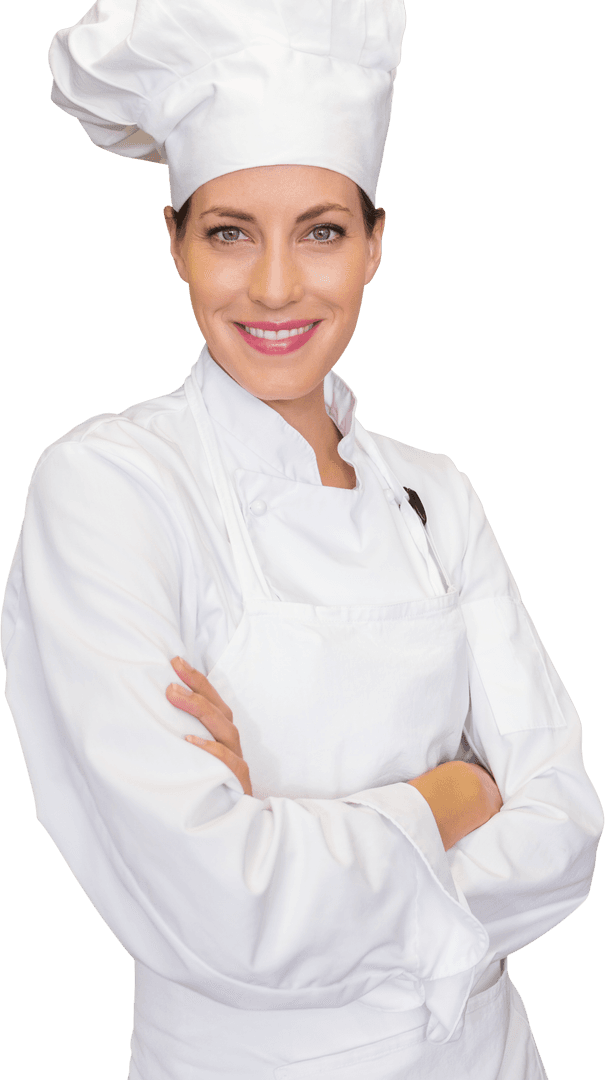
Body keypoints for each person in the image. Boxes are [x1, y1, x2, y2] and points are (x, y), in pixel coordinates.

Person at [1, 2, 602, 1078]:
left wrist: (288, 825)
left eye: (321, 230)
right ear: (174, 243)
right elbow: (218, 907)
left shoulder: (436, 493)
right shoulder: (109, 486)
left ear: (374, 245)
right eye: (229, 230)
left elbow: (565, 831)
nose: (275, 285)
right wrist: (452, 794)